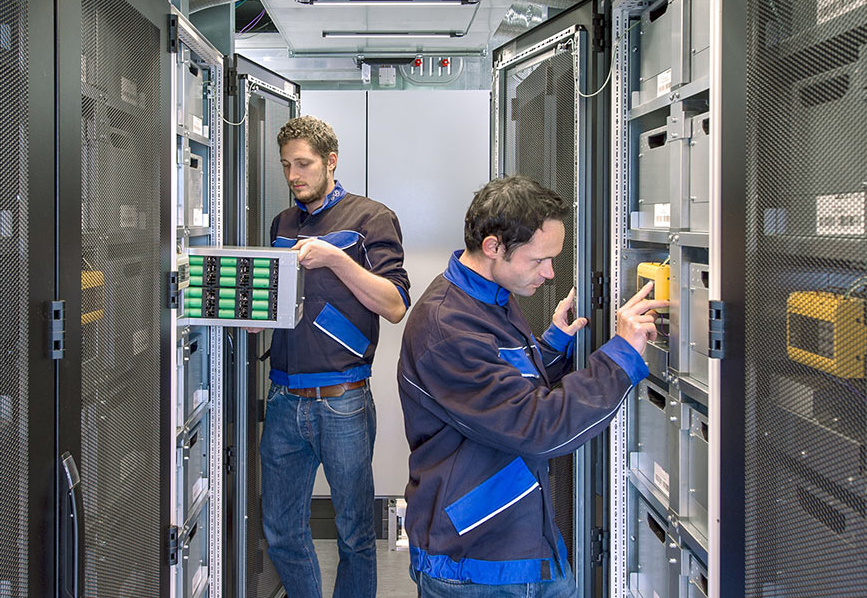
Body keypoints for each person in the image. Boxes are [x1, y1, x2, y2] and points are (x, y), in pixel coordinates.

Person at [397, 175, 668, 597]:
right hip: (478, 560)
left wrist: (553, 347)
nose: (550, 272)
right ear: (493, 247)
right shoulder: (447, 327)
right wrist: (621, 356)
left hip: (523, 536)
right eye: (539, 260)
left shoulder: (488, 299)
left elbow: (502, 392)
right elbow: (537, 428)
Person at [259, 115, 410, 598]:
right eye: (286, 165)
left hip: (342, 401)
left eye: (303, 164)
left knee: (355, 537)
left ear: (331, 161)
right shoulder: (282, 223)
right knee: (281, 531)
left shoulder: (371, 218)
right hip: (283, 399)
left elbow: (394, 305)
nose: (293, 175)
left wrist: (336, 259)